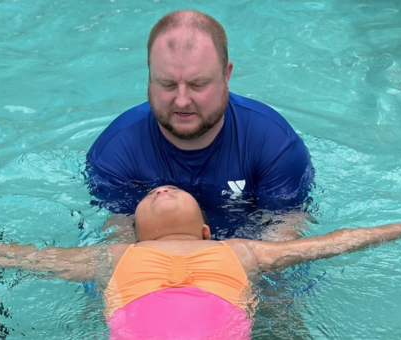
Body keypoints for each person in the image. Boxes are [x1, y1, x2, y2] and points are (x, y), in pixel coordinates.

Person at [0, 185, 401, 340]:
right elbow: (24, 258)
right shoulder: (113, 255)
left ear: (205, 230)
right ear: (137, 228)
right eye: (152, 196)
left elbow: (330, 242)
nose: (163, 188)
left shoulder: (240, 250)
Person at [85, 10, 314, 240]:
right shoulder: (116, 154)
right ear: (150, 74)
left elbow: (282, 246)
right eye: (167, 84)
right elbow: (121, 251)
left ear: (226, 74)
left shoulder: (273, 145)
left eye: (198, 84)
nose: (182, 100)